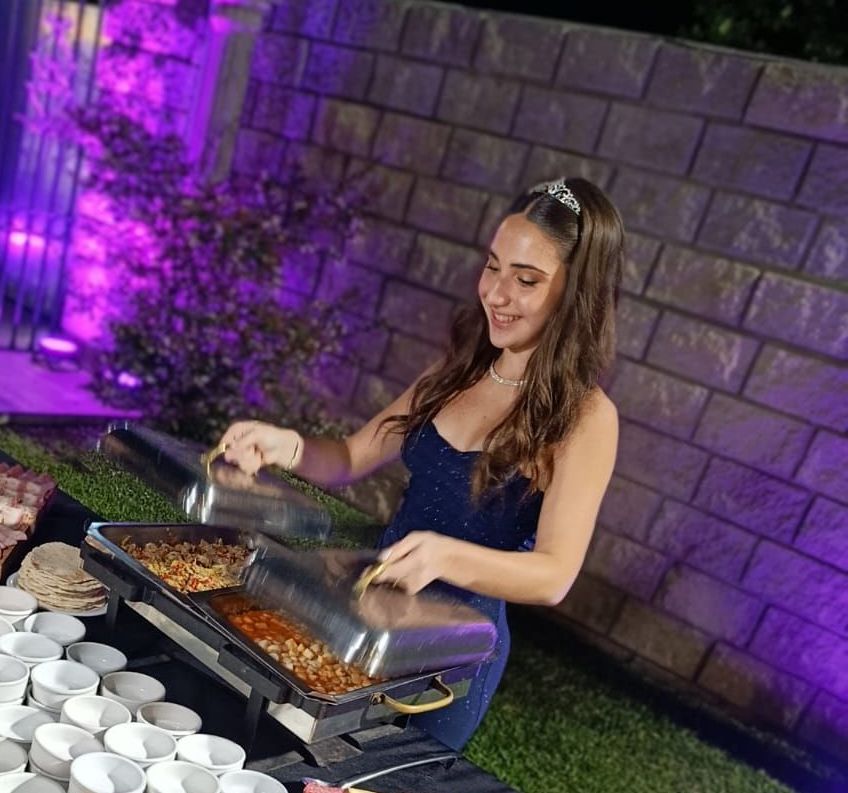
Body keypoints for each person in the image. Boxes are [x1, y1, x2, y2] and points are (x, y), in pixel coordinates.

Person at [216, 177, 623, 753]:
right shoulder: (457, 370)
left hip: (450, 658)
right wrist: (288, 446)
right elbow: (351, 456)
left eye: (526, 279)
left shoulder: (586, 417)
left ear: (576, 292)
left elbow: (554, 575)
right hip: (366, 615)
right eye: (493, 266)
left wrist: (444, 556)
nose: (496, 293)